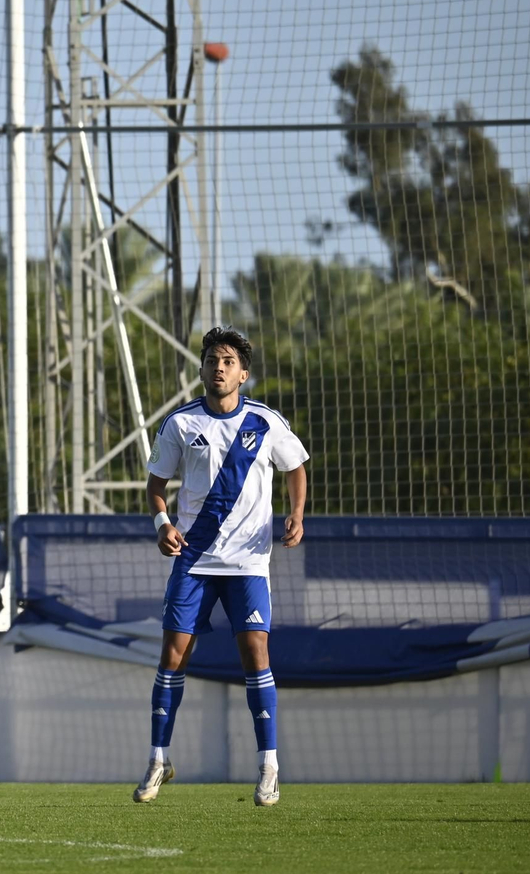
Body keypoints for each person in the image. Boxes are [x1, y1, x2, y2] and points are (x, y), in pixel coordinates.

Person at [136, 326, 308, 807]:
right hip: (194, 560)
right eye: (213, 359)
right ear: (202, 369)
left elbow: (295, 468)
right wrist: (161, 523)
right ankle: (158, 759)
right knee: (173, 656)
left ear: (243, 373)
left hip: (249, 563)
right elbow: (155, 484)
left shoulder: (265, 422)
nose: (219, 367)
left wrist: (296, 513)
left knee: (256, 655)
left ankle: (269, 766)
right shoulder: (180, 424)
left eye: (229, 360)